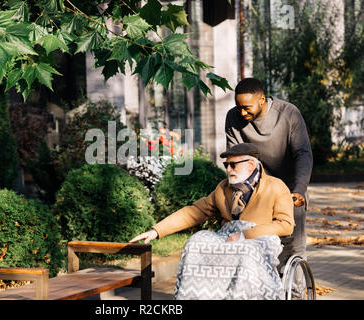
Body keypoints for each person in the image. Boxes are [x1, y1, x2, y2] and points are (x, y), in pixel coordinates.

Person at [130, 143, 294, 300]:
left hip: (260, 239)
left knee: (245, 252)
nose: (228, 169)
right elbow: (195, 211)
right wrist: (157, 230)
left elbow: (286, 225)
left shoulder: (276, 186)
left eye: (233, 165)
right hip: (228, 236)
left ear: (251, 164)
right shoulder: (223, 188)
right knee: (195, 243)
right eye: (226, 165)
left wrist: (245, 234)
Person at [224, 77, 313, 298]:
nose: (242, 113)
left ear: (262, 99)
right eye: (239, 107)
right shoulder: (233, 117)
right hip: (256, 191)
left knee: (293, 246)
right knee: (253, 244)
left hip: (290, 189)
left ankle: (294, 294)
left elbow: (303, 154)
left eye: (247, 107)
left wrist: (299, 189)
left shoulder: (288, 113)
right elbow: (236, 158)